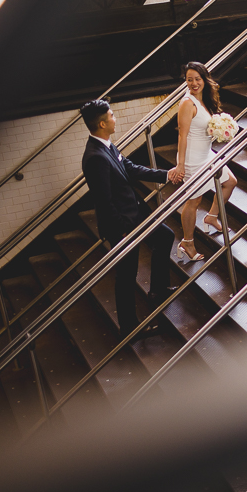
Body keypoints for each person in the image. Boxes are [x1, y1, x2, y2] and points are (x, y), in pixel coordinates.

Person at [80, 99, 179, 338]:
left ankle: (158, 290)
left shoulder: (106, 146)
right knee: (126, 275)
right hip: (123, 224)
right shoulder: (95, 157)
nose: (116, 118)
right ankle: (128, 327)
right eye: (112, 115)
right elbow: (103, 201)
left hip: (134, 211)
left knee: (164, 236)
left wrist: (166, 174)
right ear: (102, 123)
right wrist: (123, 230)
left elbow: (131, 168)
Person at [174, 61, 238, 262]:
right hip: (193, 159)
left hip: (206, 154)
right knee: (193, 201)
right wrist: (181, 165)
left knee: (230, 182)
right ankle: (187, 242)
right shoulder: (187, 103)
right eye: (189, 80)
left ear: (204, 79)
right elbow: (182, 136)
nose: (193, 83)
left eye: (197, 79)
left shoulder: (202, 100)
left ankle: (211, 217)